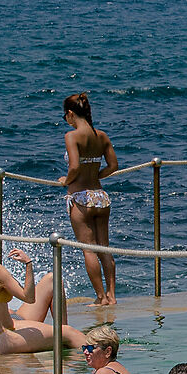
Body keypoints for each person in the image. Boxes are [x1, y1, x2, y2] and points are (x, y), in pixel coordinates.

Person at [0, 234, 85, 355]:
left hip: (4, 331)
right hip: (1, 339)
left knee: (52, 279)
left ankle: (67, 336)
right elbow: (28, 298)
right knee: (69, 333)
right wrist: (28, 264)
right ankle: (99, 357)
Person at [62, 92, 119, 307]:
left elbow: (75, 166)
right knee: (104, 247)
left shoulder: (72, 136)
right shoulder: (101, 136)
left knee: (88, 249)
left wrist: (65, 180)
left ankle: (100, 297)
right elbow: (113, 166)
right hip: (100, 197)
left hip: (81, 197)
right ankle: (111, 295)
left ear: (70, 114)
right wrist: (96, 176)